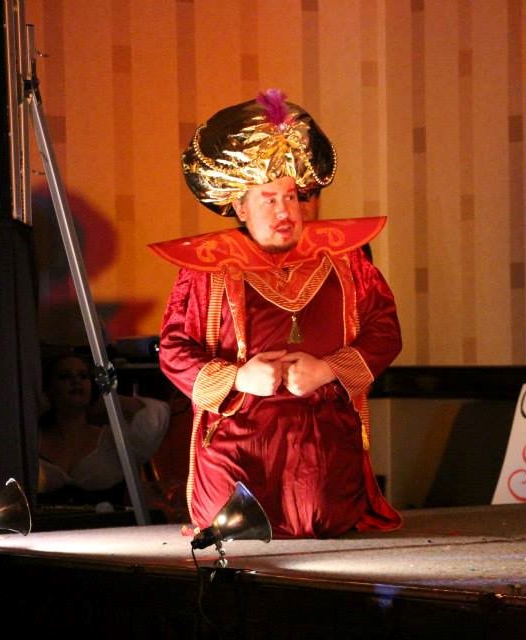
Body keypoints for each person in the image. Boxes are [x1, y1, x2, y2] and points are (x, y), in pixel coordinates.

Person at [151, 89, 402, 538]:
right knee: (234, 522)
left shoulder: (345, 260)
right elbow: (173, 349)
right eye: (268, 199)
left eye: (291, 197)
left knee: (319, 515)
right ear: (240, 206)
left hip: (320, 429)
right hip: (238, 431)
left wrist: (328, 369)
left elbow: (384, 329)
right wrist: (238, 378)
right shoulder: (207, 268)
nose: (285, 212)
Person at [37, 354, 170, 505]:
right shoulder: (32, 440)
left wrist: (107, 398)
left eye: (83, 376)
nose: (76, 381)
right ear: (48, 389)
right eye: (65, 376)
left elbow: (155, 415)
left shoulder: (112, 441)